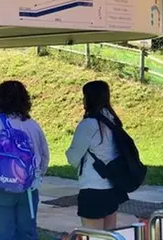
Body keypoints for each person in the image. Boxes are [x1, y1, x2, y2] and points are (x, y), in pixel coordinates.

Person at [0, 81, 50, 240]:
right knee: (27, 234)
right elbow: (44, 156)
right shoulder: (32, 125)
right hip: (27, 189)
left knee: (0, 235)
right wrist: (37, 177)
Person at [66, 80, 128, 230]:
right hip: (112, 186)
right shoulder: (113, 121)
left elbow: (73, 157)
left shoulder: (89, 124)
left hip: (92, 187)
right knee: (109, 234)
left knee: (93, 235)